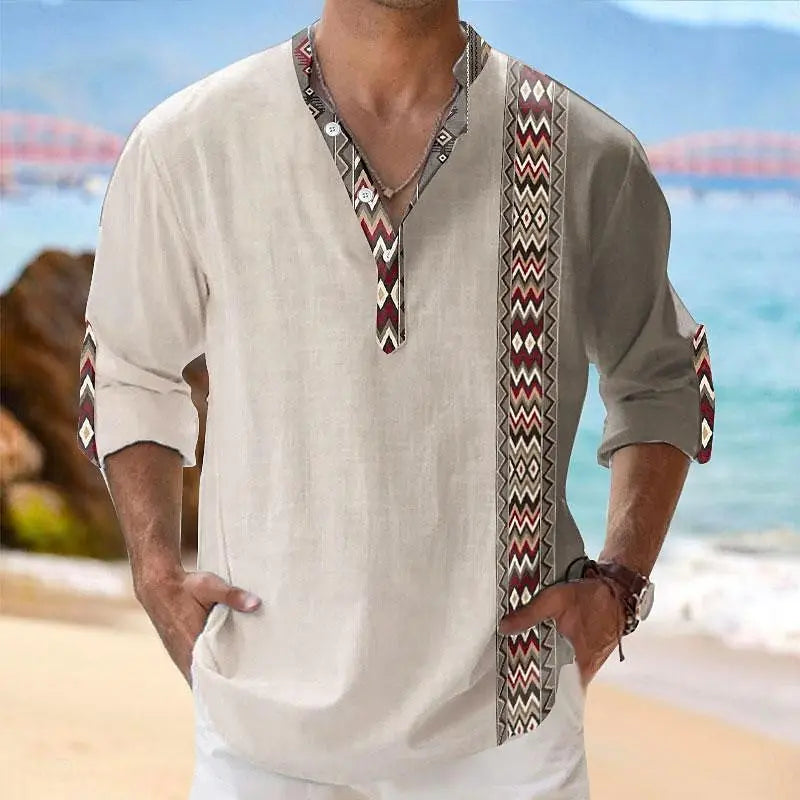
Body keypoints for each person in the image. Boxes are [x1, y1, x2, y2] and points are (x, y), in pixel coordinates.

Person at [76, 0, 715, 797]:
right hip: (262, 735)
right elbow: (129, 365)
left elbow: (662, 376)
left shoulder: (588, 155)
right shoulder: (188, 145)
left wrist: (619, 585)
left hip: (509, 742)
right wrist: (156, 575)